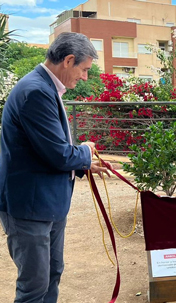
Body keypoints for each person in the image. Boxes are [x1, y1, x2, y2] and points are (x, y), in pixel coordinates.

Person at [0, 32, 112, 303]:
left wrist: (85, 163)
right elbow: (58, 154)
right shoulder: (36, 91)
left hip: (45, 204)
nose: (85, 77)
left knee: (51, 275)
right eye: (84, 69)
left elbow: (46, 147)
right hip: (30, 207)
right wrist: (84, 152)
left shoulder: (44, 87)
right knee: (34, 287)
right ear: (68, 60)